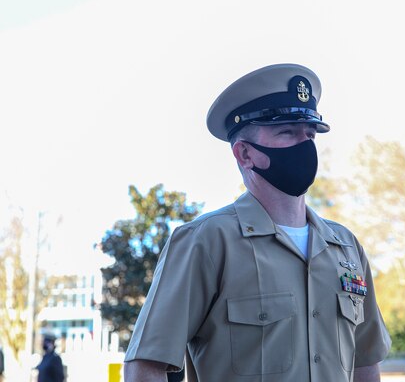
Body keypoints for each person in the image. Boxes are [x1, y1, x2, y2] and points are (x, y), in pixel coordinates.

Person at [123, 63, 391, 382]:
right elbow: (145, 368)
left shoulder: (346, 247)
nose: (304, 145)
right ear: (245, 154)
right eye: (287, 132)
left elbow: (365, 364)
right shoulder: (206, 242)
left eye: (309, 133)